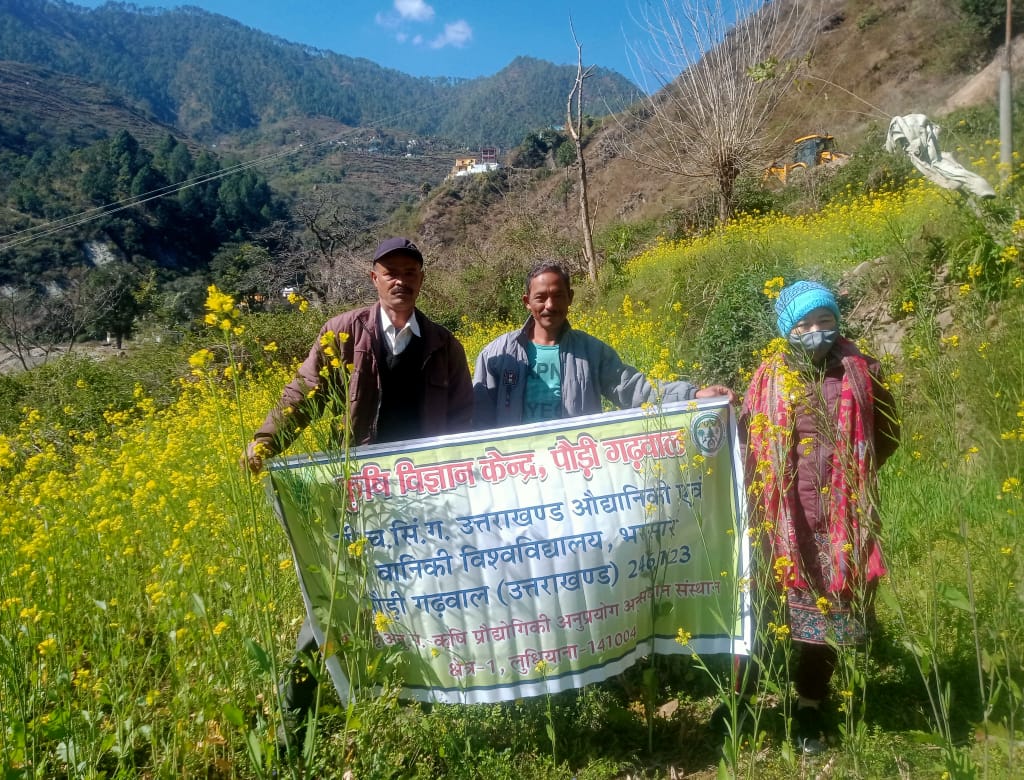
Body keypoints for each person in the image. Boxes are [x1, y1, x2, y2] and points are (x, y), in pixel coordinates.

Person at [242, 236, 474, 750]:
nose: (401, 279)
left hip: (422, 500)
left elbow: (463, 426)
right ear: (374, 278)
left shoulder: (444, 345)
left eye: (410, 271)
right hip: (355, 497)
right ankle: (290, 726)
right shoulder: (343, 332)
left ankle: (419, 706)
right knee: (333, 605)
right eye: (390, 271)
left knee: (426, 600)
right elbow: (302, 393)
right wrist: (266, 440)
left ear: (421, 279)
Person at [740, 280, 900, 754]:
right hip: (790, 522)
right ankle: (747, 703)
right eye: (805, 324)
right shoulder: (770, 378)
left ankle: (810, 707)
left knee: (832, 617)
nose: (816, 331)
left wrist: (855, 479)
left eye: (826, 321)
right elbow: (750, 444)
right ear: (787, 329)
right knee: (783, 616)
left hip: (843, 520)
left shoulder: (861, 370)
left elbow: (888, 432)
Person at [472, 260, 736, 428]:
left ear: (570, 298)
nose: (550, 305)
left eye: (558, 296)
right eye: (540, 298)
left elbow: (635, 391)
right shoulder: (497, 355)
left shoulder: (591, 352)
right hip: (514, 473)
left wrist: (693, 395)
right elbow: (479, 421)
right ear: (527, 302)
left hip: (575, 464)